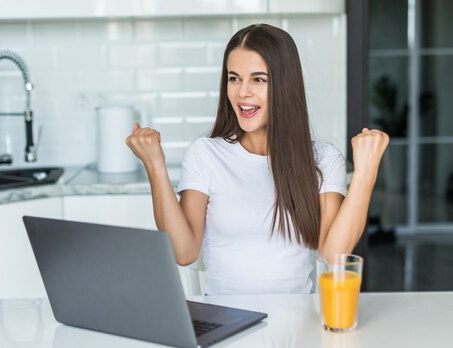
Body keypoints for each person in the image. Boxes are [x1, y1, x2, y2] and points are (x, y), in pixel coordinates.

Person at [126, 23, 388, 295]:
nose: (242, 93)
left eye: (259, 79)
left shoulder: (323, 160)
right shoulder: (206, 154)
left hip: (296, 325)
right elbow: (184, 252)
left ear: (285, 85)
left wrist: (365, 174)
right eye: (234, 78)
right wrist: (155, 166)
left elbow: (332, 257)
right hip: (224, 320)